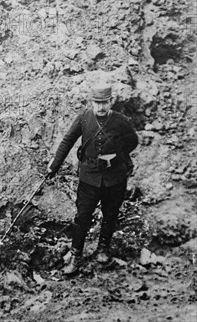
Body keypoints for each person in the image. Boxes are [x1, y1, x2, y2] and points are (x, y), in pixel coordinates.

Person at [47, 85, 138, 275]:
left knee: (111, 214)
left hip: (115, 178)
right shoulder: (84, 118)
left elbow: (132, 140)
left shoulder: (121, 121)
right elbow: (67, 140)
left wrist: (117, 155)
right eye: (97, 103)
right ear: (92, 102)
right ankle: (75, 255)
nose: (100, 107)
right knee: (82, 216)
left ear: (111, 102)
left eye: (104, 103)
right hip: (89, 178)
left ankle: (103, 249)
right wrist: (54, 166)